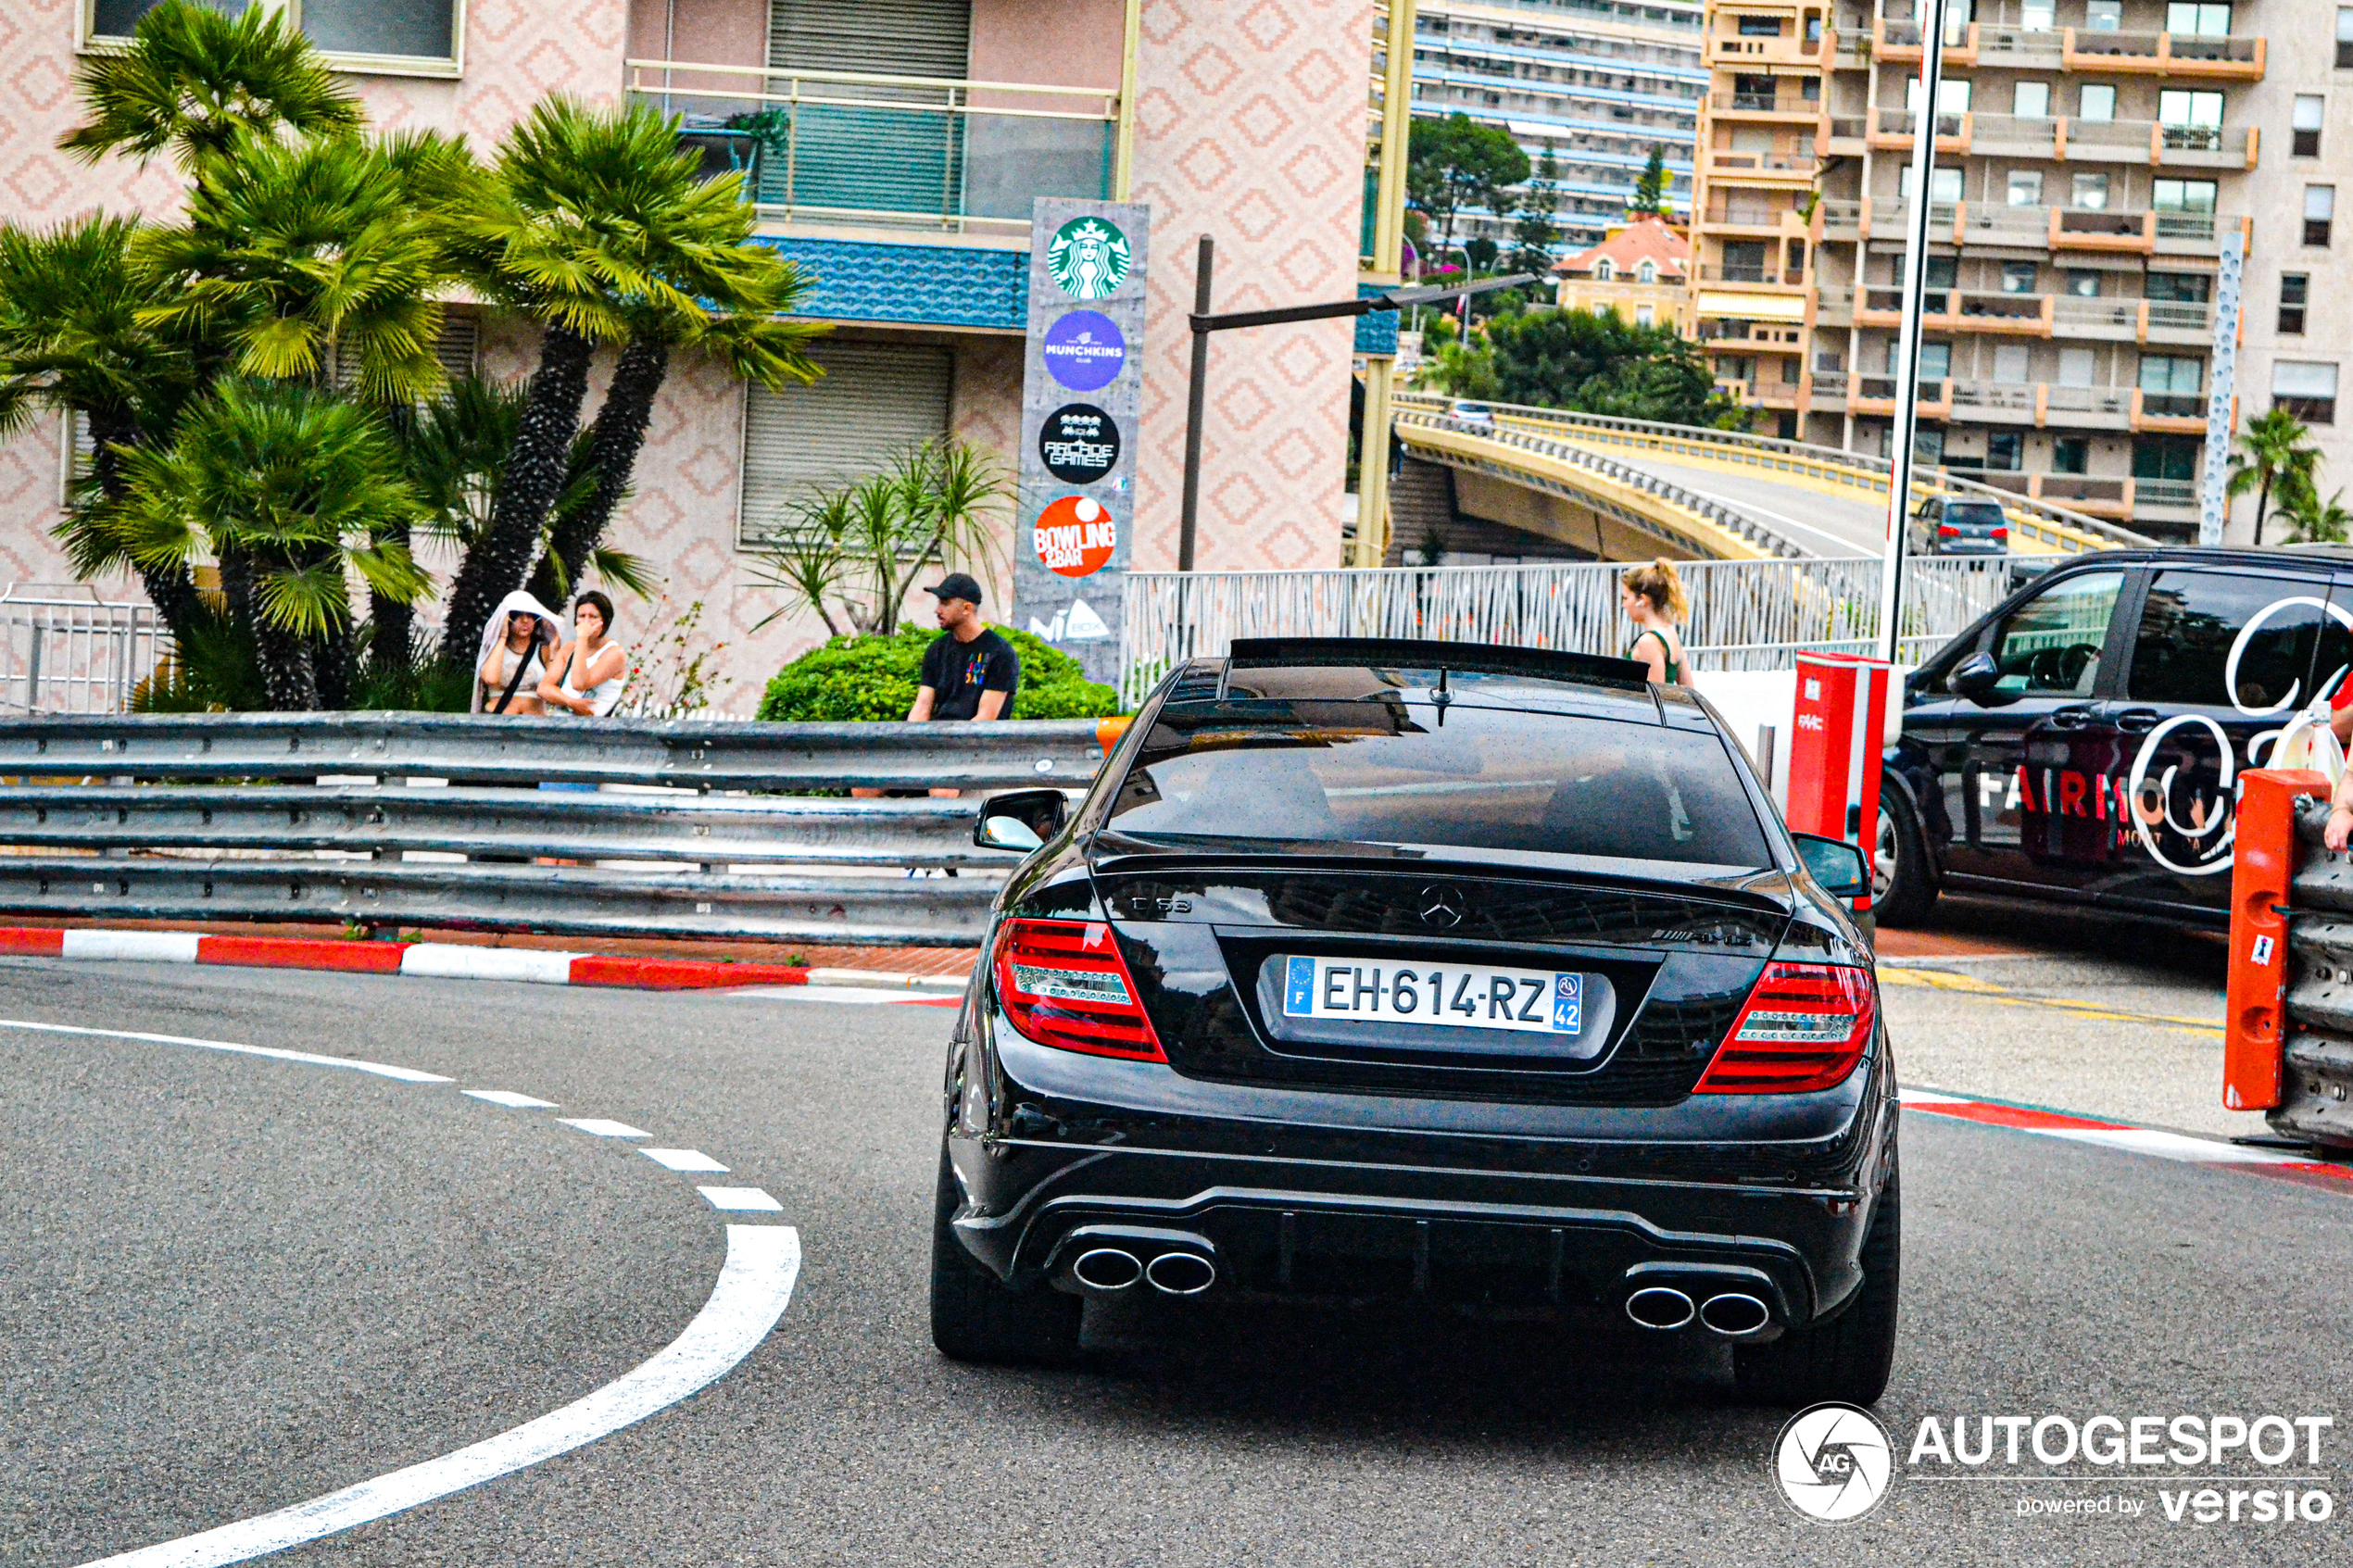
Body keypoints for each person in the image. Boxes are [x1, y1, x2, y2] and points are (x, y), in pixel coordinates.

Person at [910, 572, 1020, 726]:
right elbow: (922, 707)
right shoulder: (936, 650)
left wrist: (951, 745)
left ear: (967, 608)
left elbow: (986, 718)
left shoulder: (1000, 652)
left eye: (945, 603)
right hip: (939, 742)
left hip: (980, 745)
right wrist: (912, 741)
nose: (938, 610)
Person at [473, 591, 565, 715]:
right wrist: (502, 637)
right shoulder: (496, 649)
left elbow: (555, 686)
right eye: (518, 615)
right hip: (500, 722)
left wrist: (554, 652)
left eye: (530, 616)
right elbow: (490, 678)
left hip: (535, 723)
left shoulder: (544, 651)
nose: (525, 621)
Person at [539, 591, 627, 718]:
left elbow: (579, 683)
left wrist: (582, 638)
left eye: (593, 617)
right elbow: (544, 688)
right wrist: (571, 702)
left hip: (592, 729)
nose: (586, 622)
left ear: (604, 621)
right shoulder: (569, 648)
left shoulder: (614, 653)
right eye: (581, 616)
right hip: (561, 723)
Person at [1620, 558, 1691, 687]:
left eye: (1626, 598)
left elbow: (1655, 696)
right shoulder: (1671, 633)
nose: (1623, 605)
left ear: (1642, 600)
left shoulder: (1648, 642)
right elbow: (1689, 688)